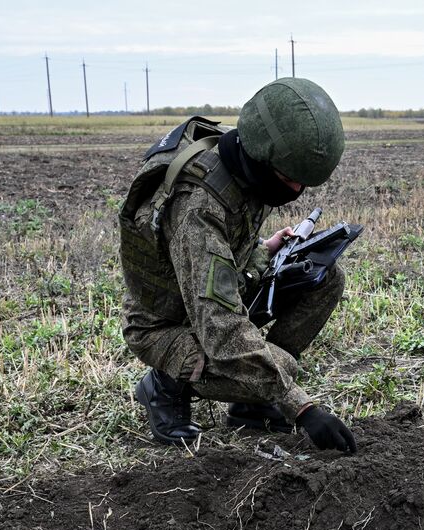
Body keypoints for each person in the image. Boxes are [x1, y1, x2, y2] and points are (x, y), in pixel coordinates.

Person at [118, 78, 357, 453]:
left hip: (206, 297)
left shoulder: (245, 163)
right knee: (282, 369)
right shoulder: (198, 203)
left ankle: (252, 402)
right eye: (289, 179)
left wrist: (265, 249)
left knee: (324, 277)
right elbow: (221, 328)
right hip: (165, 324)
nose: (295, 191)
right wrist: (300, 406)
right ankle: (164, 386)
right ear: (264, 158)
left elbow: (222, 258)